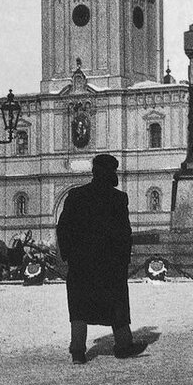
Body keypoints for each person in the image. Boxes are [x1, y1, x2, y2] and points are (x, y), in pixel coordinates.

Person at [56, 154, 146, 364]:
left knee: (79, 306)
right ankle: (124, 345)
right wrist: (123, 259)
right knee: (116, 303)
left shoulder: (76, 195)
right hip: (109, 264)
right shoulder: (118, 198)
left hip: (81, 263)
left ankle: (77, 350)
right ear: (110, 173)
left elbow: (63, 228)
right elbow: (124, 233)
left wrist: (68, 254)